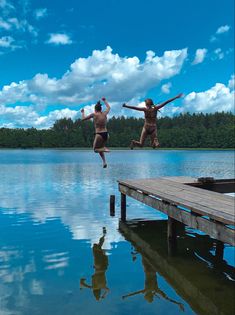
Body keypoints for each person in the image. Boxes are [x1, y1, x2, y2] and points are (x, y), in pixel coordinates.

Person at [80, 227, 109, 301]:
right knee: (95, 248)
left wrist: (104, 296)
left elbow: (108, 290)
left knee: (98, 249)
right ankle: (104, 235)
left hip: (104, 267)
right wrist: (82, 283)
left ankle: (104, 235)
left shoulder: (103, 286)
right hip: (98, 266)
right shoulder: (93, 287)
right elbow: (83, 284)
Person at [81, 97, 110, 168]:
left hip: (99, 135)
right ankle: (104, 162)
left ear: (95, 109)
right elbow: (109, 107)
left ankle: (105, 149)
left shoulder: (94, 115)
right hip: (106, 134)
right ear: (100, 109)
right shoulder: (104, 113)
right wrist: (105, 100)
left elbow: (83, 119)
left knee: (95, 149)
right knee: (100, 148)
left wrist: (82, 112)